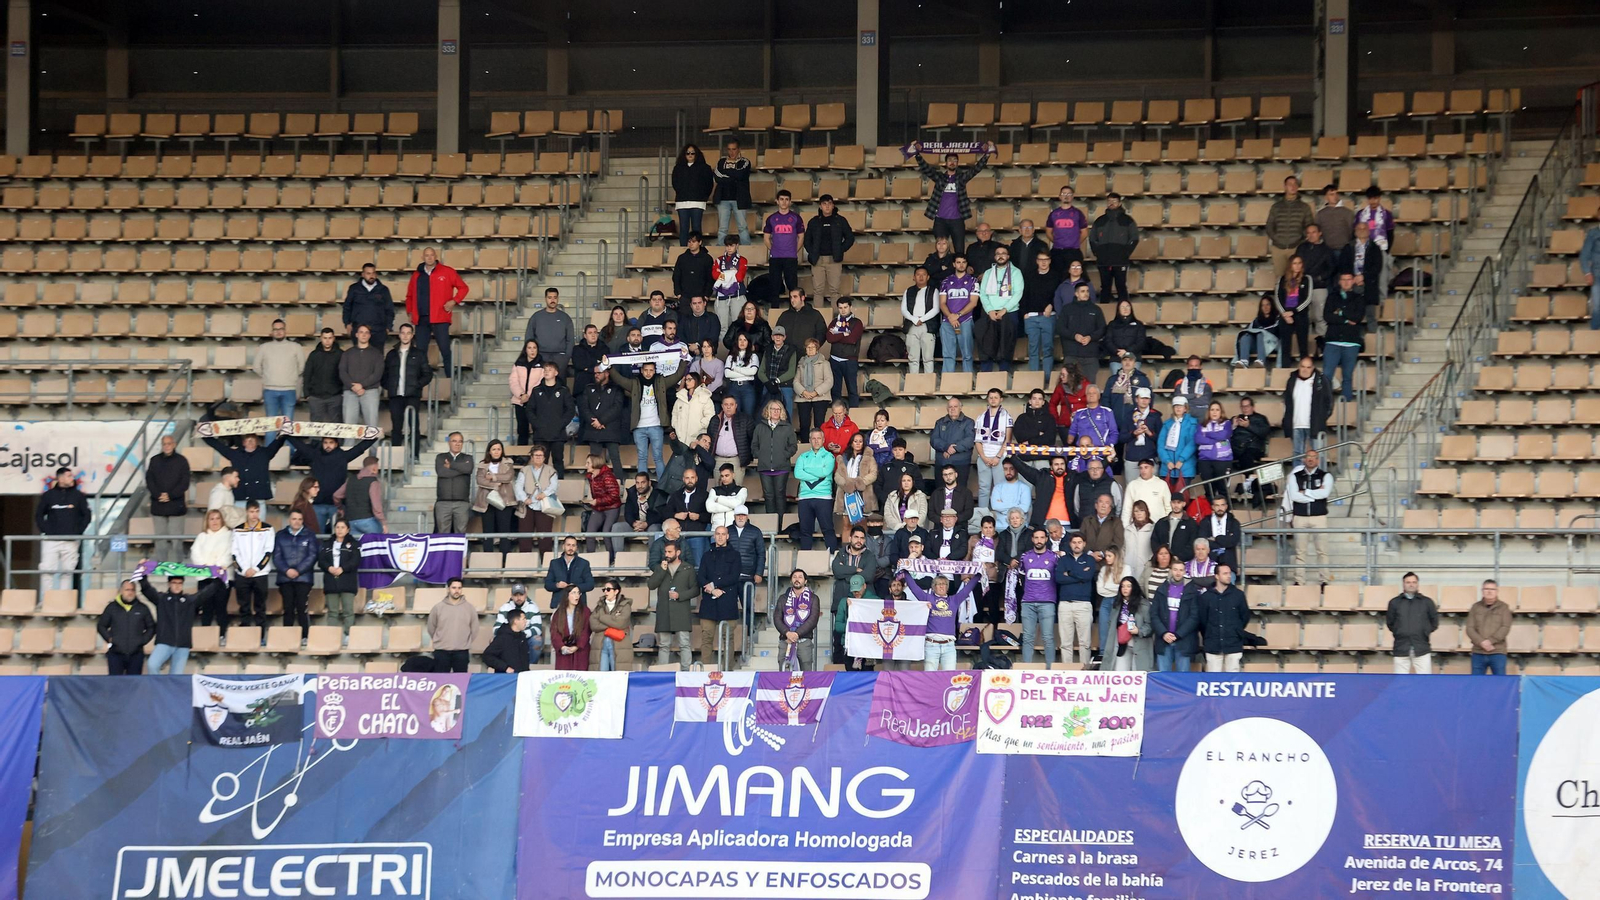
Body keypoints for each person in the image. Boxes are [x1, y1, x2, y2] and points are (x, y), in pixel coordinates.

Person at [608, 357, 687, 481]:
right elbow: (619, 380)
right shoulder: (635, 383)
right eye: (646, 370)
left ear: (655, 371)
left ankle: (662, 486)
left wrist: (683, 360)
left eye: (651, 370)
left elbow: (677, 376)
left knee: (658, 457)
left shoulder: (661, 381)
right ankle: (642, 485)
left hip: (656, 425)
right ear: (641, 371)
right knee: (642, 457)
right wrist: (609, 367)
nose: (648, 373)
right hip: (639, 427)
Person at [135, 564, 223, 675]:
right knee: (152, 665)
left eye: (180, 583)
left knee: (176, 676)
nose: (177, 586)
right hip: (164, 642)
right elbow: (146, 589)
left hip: (183, 644)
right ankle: (160, 690)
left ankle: (167, 691)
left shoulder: (189, 600)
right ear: (169, 584)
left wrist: (219, 578)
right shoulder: (162, 599)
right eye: (174, 583)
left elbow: (206, 593)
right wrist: (143, 573)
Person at [912, 141, 990, 252]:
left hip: (957, 220)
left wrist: (987, 155)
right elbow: (926, 168)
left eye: (955, 160)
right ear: (946, 163)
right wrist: (917, 154)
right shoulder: (939, 177)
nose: (952, 162)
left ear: (958, 163)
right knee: (941, 250)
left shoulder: (961, 178)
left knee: (959, 250)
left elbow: (975, 170)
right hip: (940, 220)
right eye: (949, 160)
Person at [404, 246, 469, 376]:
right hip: (422, 319)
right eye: (426, 255)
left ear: (436, 256)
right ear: (423, 257)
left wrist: (454, 301)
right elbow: (409, 296)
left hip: (440, 318)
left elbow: (463, 288)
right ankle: (423, 380)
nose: (429, 257)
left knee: (445, 350)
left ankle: (451, 381)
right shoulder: (416, 275)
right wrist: (410, 311)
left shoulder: (447, 271)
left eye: (431, 255)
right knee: (421, 352)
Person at [1284, 448, 1334, 587]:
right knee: (1300, 551)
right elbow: (1294, 496)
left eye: (1314, 457)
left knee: (1322, 550)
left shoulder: (1326, 475)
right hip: (1300, 517)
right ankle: (1299, 581)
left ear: (1318, 460)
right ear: (1304, 459)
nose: (1311, 459)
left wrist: (1305, 492)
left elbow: (1324, 494)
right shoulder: (1296, 476)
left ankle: (1324, 580)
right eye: (1308, 456)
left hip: (1319, 517)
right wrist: (1314, 496)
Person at [695, 526, 743, 667]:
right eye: (718, 534)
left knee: (728, 638)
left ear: (728, 536)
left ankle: (727, 670)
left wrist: (714, 585)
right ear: (714, 536)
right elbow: (700, 577)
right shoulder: (707, 555)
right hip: (709, 602)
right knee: (706, 638)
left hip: (727, 601)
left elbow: (734, 576)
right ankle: (705, 669)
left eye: (723, 534)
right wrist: (711, 590)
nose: (720, 537)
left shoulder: (735, 555)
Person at [383, 323, 433, 457]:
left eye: (408, 333)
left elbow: (427, 374)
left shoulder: (419, 354)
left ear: (412, 335)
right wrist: (389, 386)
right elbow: (385, 374)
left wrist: (417, 385)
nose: (405, 335)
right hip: (395, 396)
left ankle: (415, 455)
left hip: (412, 395)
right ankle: (395, 457)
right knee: (396, 427)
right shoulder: (391, 354)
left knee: (414, 426)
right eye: (403, 332)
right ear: (399, 335)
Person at [1188, 563, 1250, 672]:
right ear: (1216, 576)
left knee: (1233, 680)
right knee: (1213, 680)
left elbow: (1245, 616)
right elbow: (1202, 621)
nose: (1229, 576)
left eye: (1229, 573)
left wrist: (1236, 630)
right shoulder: (1206, 597)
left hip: (1233, 644)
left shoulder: (1238, 595)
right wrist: (1210, 633)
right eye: (1225, 573)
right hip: (1213, 645)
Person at [202, 429, 287, 506]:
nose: (250, 441)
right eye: (247, 439)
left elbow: (277, 443)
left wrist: (284, 432)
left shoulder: (265, 453)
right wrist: (204, 435)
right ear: (243, 442)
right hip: (240, 497)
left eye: (253, 439)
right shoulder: (235, 454)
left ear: (257, 441)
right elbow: (218, 446)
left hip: (259, 499)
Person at [648, 540, 699, 668]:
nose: (667, 554)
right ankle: (663, 672)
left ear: (678, 552)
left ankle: (686, 672)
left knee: (684, 643)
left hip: (681, 610)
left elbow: (695, 590)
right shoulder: (661, 567)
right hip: (664, 610)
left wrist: (680, 595)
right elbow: (651, 585)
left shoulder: (687, 568)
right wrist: (661, 570)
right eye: (665, 552)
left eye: (670, 552)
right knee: (664, 644)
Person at [254, 318, 304, 446]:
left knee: (287, 425)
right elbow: (256, 367)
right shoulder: (264, 347)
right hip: (270, 390)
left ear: (285, 331)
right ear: (272, 332)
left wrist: (290, 377)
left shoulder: (295, 347)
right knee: (271, 424)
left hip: (289, 389)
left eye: (281, 329)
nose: (278, 332)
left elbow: (301, 367)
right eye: (275, 329)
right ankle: (270, 456)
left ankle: (288, 454)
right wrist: (268, 377)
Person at [273, 509, 320, 642]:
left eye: (299, 519)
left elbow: (312, 556)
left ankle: (305, 636)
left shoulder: (310, 535)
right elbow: (276, 556)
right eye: (294, 519)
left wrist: (298, 570)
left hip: (304, 579)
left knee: (301, 607)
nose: (297, 522)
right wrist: (287, 570)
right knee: (288, 607)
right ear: (289, 520)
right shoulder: (280, 535)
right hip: (285, 578)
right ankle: (287, 638)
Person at [1052, 533, 1096, 667]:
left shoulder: (1090, 559)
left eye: (1079, 542)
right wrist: (1079, 574)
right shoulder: (1063, 560)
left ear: (1084, 544)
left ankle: (1085, 671)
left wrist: (1070, 573)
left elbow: (1087, 576)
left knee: (1085, 643)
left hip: (1083, 604)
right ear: (1070, 544)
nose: (1077, 545)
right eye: (1074, 542)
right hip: (1065, 604)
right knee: (1065, 643)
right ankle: (1067, 671)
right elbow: (1059, 578)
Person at [802, 194, 855, 305]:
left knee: (834, 291)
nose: (827, 206)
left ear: (833, 205)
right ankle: (818, 319)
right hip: (817, 259)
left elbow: (850, 237)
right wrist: (812, 253)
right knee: (818, 291)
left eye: (829, 203)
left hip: (834, 259)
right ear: (820, 206)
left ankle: (835, 319)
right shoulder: (814, 221)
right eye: (824, 204)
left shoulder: (840, 220)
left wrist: (841, 249)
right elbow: (807, 241)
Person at [578, 363, 630, 475]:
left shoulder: (616, 389)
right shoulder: (588, 388)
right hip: (593, 429)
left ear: (606, 373)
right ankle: (595, 486)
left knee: (615, 459)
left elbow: (617, 407)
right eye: (595, 373)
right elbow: (584, 407)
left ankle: (619, 484)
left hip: (611, 428)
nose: (596, 375)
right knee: (595, 461)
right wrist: (594, 421)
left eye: (599, 373)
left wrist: (601, 421)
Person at [751, 399, 797, 523]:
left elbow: (793, 446)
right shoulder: (760, 427)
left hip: (781, 467)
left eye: (778, 409)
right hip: (764, 467)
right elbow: (754, 445)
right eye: (773, 409)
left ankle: (781, 526)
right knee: (769, 497)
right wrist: (759, 455)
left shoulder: (787, 427)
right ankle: (771, 525)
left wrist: (784, 455)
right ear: (768, 411)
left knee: (780, 496)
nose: (776, 411)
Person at [145, 435, 190, 562]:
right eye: (164, 444)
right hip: (158, 504)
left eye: (169, 443)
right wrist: (158, 494)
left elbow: (184, 482)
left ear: (174, 444)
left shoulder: (182, 461)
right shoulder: (154, 460)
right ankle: (161, 564)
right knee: (160, 539)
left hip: (176, 506)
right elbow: (149, 480)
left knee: (177, 539)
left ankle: (178, 565)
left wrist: (170, 495)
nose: (166, 446)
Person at [1089, 191, 1140, 304]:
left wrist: (1125, 253)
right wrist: (1098, 253)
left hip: (1120, 261)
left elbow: (1134, 238)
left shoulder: (1128, 220)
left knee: (1121, 287)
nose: (1111, 203)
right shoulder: (1099, 220)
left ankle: (1125, 315)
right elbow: (1092, 239)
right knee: (1105, 288)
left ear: (1119, 203)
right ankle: (1104, 316)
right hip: (1103, 261)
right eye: (1109, 201)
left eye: (1114, 201)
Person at [231, 501, 274, 631]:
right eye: (251, 511)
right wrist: (243, 569)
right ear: (246, 512)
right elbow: (234, 553)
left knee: (260, 606)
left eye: (256, 511)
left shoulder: (268, 529)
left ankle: (260, 634)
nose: (254, 514)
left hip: (260, 574)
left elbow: (268, 551)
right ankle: (245, 633)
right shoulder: (238, 529)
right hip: (242, 574)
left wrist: (256, 569)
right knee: (244, 606)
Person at [98, 580, 156, 675]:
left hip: (136, 654)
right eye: (127, 590)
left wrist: (142, 641)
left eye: (132, 590)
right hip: (115, 654)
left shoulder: (142, 608)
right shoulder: (111, 607)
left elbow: (151, 627)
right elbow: (101, 626)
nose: (130, 592)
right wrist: (109, 639)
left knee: (134, 685)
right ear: (121, 591)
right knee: (115, 684)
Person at [1323, 272, 1366, 402]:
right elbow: (1327, 316)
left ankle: (1347, 404)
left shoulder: (1359, 298)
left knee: (1347, 376)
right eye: (1344, 279)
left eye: (1349, 279)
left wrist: (1340, 312)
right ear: (1339, 281)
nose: (1346, 282)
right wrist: (1346, 320)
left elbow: (1357, 317)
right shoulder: (1332, 297)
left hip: (1351, 342)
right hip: (1333, 341)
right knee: (1327, 375)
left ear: (1353, 281)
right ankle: (1325, 403)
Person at [1150, 559, 1199, 672]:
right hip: (1163, 640)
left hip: (1183, 641)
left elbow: (1194, 617)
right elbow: (1154, 614)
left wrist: (1178, 634)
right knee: (1163, 678)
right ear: (1171, 570)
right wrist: (1163, 633)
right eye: (1175, 569)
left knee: (1182, 679)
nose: (1178, 572)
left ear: (1184, 572)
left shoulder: (1192, 590)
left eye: (1181, 570)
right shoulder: (1161, 589)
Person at [1282, 355, 1332, 463]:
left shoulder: (1321, 380)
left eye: (1308, 367)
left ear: (1313, 368)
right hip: (1296, 425)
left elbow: (1329, 402)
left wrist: (1321, 418)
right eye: (1303, 366)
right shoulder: (1292, 380)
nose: (1305, 370)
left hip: (1314, 425)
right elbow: (1287, 401)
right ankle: (1297, 479)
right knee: (1297, 454)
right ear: (1298, 367)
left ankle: (1319, 479)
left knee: (1317, 454)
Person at [191, 509, 235, 633]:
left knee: (221, 607)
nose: (215, 521)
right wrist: (205, 567)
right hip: (204, 577)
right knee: (206, 608)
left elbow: (229, 554)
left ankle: (222, 635)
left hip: (222, 577)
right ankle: (205, 635)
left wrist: (217, 567)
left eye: (217, 518)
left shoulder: (229, 535)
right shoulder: (202, 536)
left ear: (222, 520)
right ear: (207, 521)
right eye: (212, 519)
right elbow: (195, 552)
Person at [1386, 572, 1439, 675]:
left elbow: (1434, 622)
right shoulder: (1394, 602)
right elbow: (1390, 623)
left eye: (1414, 582)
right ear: (1403, 584)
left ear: (1418, 584)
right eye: (1408, 582)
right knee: (1400, 682)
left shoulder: (1427, 602)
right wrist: (1400, 632)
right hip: (1401, 647)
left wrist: (1424, 632)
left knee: (1424, 681)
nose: (1411, 584)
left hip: (1421, 647)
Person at [795, 428, 838, 552]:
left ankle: (832, 560)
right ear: (809, 440)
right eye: (813, 438)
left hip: (823, 497)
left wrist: (807, 470)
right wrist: (818, 474)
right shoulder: (803, 456)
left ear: (823, 440)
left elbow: (825, 472)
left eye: (819, 438)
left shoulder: (829, 456)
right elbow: (798, 473)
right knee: (805, 531)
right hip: (804, 498)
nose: (816, 441)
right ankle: (805, 561)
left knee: (828, 529)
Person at [1017, 251, 1062, 372]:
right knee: (1033, 349)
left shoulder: (1056, 276)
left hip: (1048, 316)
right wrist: (1024, 313)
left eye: (1046, 259)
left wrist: (1052, 305)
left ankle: (1046, 378)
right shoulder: (1029, 275)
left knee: (1048, 348)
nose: (1043, 262)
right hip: (1031, 317)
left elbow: (1059, 295)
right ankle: (1034, 378)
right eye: (1041, 259)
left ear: (1050, 261)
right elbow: (1024, 295)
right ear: (1036, 261)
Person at [473, 440, 518, 556]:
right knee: (488, 532)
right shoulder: (483, 464)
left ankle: (504, 559)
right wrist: (494, 484)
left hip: (505, 500)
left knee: (504, 531)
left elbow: (508, 477)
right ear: (489, 451)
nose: (496, 452)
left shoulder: (508, 462)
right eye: (494, 449)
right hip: (486, 501)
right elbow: (480, 480)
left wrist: (492, 476)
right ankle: (488, 558)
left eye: (499, 449)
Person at [1056, 280, 1106, 383]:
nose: (1086, 293)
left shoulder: (1096, 309)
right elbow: (1060, 328)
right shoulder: (1067, 309)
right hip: (1071, 354)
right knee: (1070, 387)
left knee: (1089, 387)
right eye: (1083, 291)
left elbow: (1102, 329)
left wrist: (1090, 337)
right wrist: (1074, 336)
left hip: (1091, 356)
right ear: (1076, 293)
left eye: (1087, 291)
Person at [893, 265, 939, 375]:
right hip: (912, 326)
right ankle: (913, 385)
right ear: (914, 277)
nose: (921, 277)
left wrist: (922, 319)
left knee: (928, 358)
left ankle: (929, 384)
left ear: (928, 277)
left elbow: (936, 309)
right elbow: (904, 309)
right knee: (913, 358)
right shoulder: (908, 291)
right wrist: (914, 319)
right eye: (918, 275)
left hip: (927, 326)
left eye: (923, 275)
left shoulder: (933, 290)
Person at [1266, 175, 1315, 279]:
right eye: (1290, 184)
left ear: (1298, 187)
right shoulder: (1276, 207)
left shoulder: (1304, 207)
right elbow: (1269, 225)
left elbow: (1309, 226)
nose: (1292, 186)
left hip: (1296, 247)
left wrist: (1300, 238)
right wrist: (1276, 238)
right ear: (1285, 187)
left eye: (1295, 184)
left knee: (1296, 278)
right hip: (1278, 248)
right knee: (1280, 278)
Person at [1342, 220, 1387, 332]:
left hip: (1369, 285)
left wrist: (1363, 277)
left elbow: (1377, 267)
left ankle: (1374, 341)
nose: (1362, 231)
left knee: (1371, 316)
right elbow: (1343, 265)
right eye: (1359, 229)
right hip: (1351, 285)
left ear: (1368, 231)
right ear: (1355, 232)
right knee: (1351, 316)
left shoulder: (1375, 247)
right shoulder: (1348, 247)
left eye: (1364, 228)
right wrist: (1353, 278)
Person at [427, 578, 479, 673]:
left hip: (461, 651)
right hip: (441, 651)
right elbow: (431, 627)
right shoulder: (438, 608)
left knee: (461, 682)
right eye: (454, 588)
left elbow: (474, 629)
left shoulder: (470, 608)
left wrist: (465, 642)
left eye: (459, 588)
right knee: (441, 681)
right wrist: (440, 641)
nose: (457, 590)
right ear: (448, 589)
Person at [318, 518, 360, 635]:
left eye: (343, 527)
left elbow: (355, 560)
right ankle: (331, 636)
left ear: (348, 530)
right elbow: (321, 561)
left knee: (348, 611)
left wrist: (343, 569)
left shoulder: (353, 544)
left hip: (347, 581)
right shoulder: (327, 544)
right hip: (331, 581)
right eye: (337, 527)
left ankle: (349, 635)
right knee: (332, 612)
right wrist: (329, 568)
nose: (340, 530)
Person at [338, 324, 385, 429]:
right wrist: (352, 386)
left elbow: (378, 373)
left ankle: (373, 446)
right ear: (356, 335)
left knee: (372, 427)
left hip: (370, 392)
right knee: (348, 428)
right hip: (350, 391)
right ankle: (348, 446)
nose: (364, 335)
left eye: (366, 333)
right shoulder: (347, 353)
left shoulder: (377, 354)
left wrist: (362, 385)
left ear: (369, 336)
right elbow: (342, 372)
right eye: (361, 332)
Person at [776, 569, 821, 671]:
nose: (797, 579)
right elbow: (777, 618)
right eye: (794, 577)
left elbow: (813, 620)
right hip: (786, 640)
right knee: (783, 672)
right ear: (791, 580)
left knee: (807, 673)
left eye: (800, 577)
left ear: (805, 581)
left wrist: (796, 633)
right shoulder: (783, 598)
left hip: (804, 641)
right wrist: (787, 633)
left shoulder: (813, 598)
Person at [1295, 223, 1336, 337]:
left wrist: (1320, 278)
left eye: (1313, 232)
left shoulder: (1327, 250)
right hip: (1303, 287)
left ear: (1319, 233)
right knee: (1304, 318)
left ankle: (1322, 345)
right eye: (1308, 233)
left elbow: (1331, 268)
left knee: (1320, 317)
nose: (1311, 235)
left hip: (1320, 286)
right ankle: (1305, 347)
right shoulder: (1302, 248)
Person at [1274, 255, 1315, 365]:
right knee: (1285, 348)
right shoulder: (1282, 279)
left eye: (1299, 263)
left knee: (1303, 347)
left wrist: (1293, 312)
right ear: (1290, 265)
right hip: (1285, 317)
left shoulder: (1307, 279)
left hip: (1300, 316)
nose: (1297, 266)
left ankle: (1305, 373)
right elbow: (1277, 297)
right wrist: (1284, 314)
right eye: (1294, 263)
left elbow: (1308, 299)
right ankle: (1285, 372)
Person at [671, 143, 714, 245]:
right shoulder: (678, 167)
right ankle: (683, 251)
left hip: (698, 202)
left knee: (696, 228)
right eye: (687, 153)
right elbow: (675, 183)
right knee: (683, 228)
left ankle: (697, 250)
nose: (690, 155)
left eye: (692, 153)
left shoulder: (704, 167)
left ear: (697, 154)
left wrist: (704, 196)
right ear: (684, 154)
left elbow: (709, 184)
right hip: (682, 201)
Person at [343, 262, 394, 349]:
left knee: (377, 358)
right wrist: (347, 323)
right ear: (363, 274)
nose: (371, 276)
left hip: (378, 331)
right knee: (359, 358)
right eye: (368, 273)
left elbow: (389, 309)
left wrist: (388, 327)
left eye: (373, 273)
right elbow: (347, 307)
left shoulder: (383, 290)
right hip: (358, 329)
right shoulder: (354, 288)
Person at [763, 189, 804, 296]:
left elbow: (801, 236)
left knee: (792, 286)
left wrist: (794, 251)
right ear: (777, 201)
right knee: (774, 286)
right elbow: (766, 237)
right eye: (781, 199)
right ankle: (774, 310)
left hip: (791, 257)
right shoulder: (771, 218)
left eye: (786, 199)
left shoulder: (796, 218)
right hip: (775, 258)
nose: (784, 202)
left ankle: (793, 311)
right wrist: (773, 250)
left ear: (790, 202)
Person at [712, 138, 753, 244]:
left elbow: (740, 175)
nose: (731, 152)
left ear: (739, 149)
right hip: (723, 199)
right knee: (722, 228)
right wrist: (733, 176)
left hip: (739, 198)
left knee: (742, 227)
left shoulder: (745, 161)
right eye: (729, 149)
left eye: (734, 149)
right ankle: (720, 251)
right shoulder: (721, 161)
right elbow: (717, 177)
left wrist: (726, 174)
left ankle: (746, 251)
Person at [432, 431, 475, 534]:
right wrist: (461, 470)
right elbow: (442, 472)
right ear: (449, 442)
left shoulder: (468, 458)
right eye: (454, 441)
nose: (457, 444)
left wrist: (451, 465)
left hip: (462, 503)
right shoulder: (441, 457)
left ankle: (459, 551)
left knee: (461, 534)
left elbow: (468, 469)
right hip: (443, 503)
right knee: (442, 533)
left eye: (460, 441)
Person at [583, 579, 630, 671]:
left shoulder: (625, 605)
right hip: (601, 645)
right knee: (601, 675)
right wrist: (612, 622)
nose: (605, 592)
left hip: (619, 645)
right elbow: (593, 624)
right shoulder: (599, 605)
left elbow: (621, 623)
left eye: (608, 589)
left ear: (616, 591)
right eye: (604, 589)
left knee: (616, 676)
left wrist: (602, 618)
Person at [1466, 580, 1511, 676]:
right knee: (1476, 684)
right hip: (1478, 652)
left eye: (1492, 589)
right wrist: (1481, 642)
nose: (1489, 591)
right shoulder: (1475, 607)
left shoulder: (1504, 608)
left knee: (1500, 684)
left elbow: (1505, 627)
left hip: (1498, 652)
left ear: (1497, 591)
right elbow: (1469, 628)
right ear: (1482, 591)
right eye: (1486, 589)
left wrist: (1490, 641)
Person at [333, 454, 386, 536]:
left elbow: (336, 495)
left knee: (357, 547)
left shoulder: (350, 480)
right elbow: (376, 505)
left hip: (351, 521)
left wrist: (340, 508)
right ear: (374, 468)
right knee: (380, 543)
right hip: (368, 520)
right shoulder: (373, 482)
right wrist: (383, 523)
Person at [302, 327, 346, 423]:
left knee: (337, 426)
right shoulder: (314, 355)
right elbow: (307, 374)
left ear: (333, 338)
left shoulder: (341, 354)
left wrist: (343, 392)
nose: (327, 341)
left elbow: (345, 374)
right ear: (321, 338)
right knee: (315, 426)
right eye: (325, 338)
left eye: (330, 338)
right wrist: (306, 394)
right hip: (315, 396)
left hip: (335, 396)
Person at [1107, 578, 1152, 671]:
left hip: (1139, 645)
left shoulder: (1144, 604)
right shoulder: (1117, 604)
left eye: (1128, 586)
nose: (1125, 589)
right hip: (1121, 645)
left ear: (1134, 588)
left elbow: (1150, 625)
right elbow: (1111, 624)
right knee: (1120, 675)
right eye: (1122, 586)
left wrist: (1139, 631)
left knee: (1138, 676)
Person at [792, 338, 833, 437]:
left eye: (813, 347)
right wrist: (803, 392)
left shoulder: (825, 363)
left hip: (820, 396)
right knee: (804, 425)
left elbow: (829, 381)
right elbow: (796, 381)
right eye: (808, 347)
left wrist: (816, 392)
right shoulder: (801, 364)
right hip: (804, 397)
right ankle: (805, 445)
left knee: (819, 424)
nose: (810, 349)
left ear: (817, 349)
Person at [707, 394, 754, 480]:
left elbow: (752, 439)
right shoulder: (715, 419)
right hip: (718, 460)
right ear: (722, 406)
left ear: (736, 406)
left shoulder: (745, 419)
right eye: (726, 404)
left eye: (731, 404)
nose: (728, 407)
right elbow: (710, 438)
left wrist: (748, 456)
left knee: (736, 490)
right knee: (719, 489)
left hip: (736, 460)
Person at [493, 583, 545, 662]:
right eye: (515, 595)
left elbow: (537, 629)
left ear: (525, 594)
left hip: (526, 637)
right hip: (508, 638)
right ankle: (504, 667)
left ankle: (530, 666)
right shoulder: (504, 607)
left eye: (521, 594)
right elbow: (496, 629)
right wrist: (511, 635)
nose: (518, 597)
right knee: (494, 640)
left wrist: (521, 635)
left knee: (537, 640)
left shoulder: (533, 607)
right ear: (511, 595)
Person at [930, 396, 976, 482]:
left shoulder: (969, 422)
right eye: (950, 407)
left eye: (955, 406)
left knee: (960, 491)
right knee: (941, 491)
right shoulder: (940, 422)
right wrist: (946, 447)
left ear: (960, 408)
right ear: (947, 409)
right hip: (942, 462)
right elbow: (934, 439)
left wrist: (955, 448)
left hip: (961, 463)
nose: (953, 409)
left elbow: (970, 439)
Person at [1195, 400, 1235, 499]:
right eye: (1212, 410)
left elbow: (1224, 435)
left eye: (1217, 410)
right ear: (1208, 412)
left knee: (1222, 489)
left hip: (1223, 460)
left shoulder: (1227, 423)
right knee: (1209, 490)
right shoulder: (1202, 425)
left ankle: (1226, 513)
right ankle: (1210, 513)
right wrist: (1215, 440)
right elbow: (1198, 439)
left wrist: (1207, 434)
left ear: (1221, 412)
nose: (1214, 412)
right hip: (1205, 460)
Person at [543, 535, 594, 610]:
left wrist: (576, 587)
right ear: (563, 546)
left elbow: (590, 584)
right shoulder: (554, 563)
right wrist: (557, 585)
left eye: (573, 545)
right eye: (568, 545)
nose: (571, 548)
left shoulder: (584, 563)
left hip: (578, 605)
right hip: (559, 604)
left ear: (576, 548)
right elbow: (547, 584)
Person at [1045, 184, 1089, 272]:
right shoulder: (1054, 214)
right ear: (1060, 196)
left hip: (1073, 251)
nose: (1066, 196)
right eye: (1064, 193)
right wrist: (1057, 242)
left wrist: (1075, 243)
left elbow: (1084, 233)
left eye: (1069, 194)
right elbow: (1048, 232)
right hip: (1057, 251)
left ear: (1072, 197)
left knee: (1075, 276)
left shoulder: (1078, 213)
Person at [1158, 395, 1198, 488]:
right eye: (1176, 406)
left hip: (1185, 467)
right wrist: (1167, 461)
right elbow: (1161, 444)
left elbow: (1192, 443)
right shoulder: (1167, 424)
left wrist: (1181, 460)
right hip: (1167, 468)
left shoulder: (1192, 423)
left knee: (1182, 498)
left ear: (1185, 408)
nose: (1178, 408)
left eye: (1181, 406)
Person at [1233, 294, 1283, 369]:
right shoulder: (1256, 321)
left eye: (1268, 304)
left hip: (1272, 345)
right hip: (1259, 346)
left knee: (1260, 334)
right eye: (1263, 305)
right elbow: (1249, 331)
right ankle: (1244, 361)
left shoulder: (1278, 319)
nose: (1265, 307)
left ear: (1272, 305)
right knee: (1246, 336)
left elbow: (1281, 337)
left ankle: (1261, 360)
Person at [548, 586, 592, 671]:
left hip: (580, 650)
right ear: (567, 595)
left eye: (578, 593)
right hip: (564, 649)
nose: (577, 596)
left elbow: (586, 631)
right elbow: (554, 632)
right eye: (573, 593)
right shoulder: (559, 613)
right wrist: (562, 647)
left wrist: (577, 646)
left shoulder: (585, 611)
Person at [670, 371, 716, 450]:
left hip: (697, 438)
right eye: (686, 380)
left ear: (696, 380)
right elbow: (675, 414)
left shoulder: (704, 397)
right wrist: (676, 425)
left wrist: (700, 425)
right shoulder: (681, 397)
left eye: (689, 379)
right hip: (681, 438)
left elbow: (710, 416)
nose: (687, 382)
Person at [1198, 496, 1241, 573]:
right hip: (1208, 564)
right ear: (1213, 507)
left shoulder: (1234, 522)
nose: (1220, 508)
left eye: (1222, 505)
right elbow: (1202, 541)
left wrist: (1216, 539)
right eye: (1217, 505)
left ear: (1226, 506)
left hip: (1229, 565)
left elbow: (1233, 541)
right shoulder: (1205, 522)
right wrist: (1225, 541)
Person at [483, 607, 533, 673]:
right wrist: (505, 668)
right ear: (516, 621)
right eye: (523, 619)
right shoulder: (502, 638)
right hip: (506, 678)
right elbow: (487, 656)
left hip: (522, 678)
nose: (526, 621)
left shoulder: (522, 638)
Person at [672, 232, 714, 301]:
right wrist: (678, 294)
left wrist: (707, 295)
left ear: (700, 242)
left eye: (694, 241)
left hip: (701, 297)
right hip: (684, 296)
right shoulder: (682, 258)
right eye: (689, 241)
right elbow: (676, 276)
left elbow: (710, 278)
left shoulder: (707, 258)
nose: (691, 244)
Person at [1103, 300, 1147, 366]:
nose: (1125, 309)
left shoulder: (1138, 324)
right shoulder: (1112, 324)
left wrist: (1127, 351)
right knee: (1117, 376)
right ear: (1118, 309)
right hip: (1116, 358)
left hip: (1133, 358)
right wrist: (1117, 351)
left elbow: (1141, 341)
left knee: (1132, 376)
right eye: (1122, 307)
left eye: (1127, 306)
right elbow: (1108, 340)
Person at [1316, 185, 1355, 251]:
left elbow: (1351, 230)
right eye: (1331, 194)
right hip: (1326, 249)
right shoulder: (1320, 214)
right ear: (1326, 197)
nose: (1335, 196)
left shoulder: (1348, 212)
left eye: (1336, 194)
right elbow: (1318, 231)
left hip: (1344, 248)